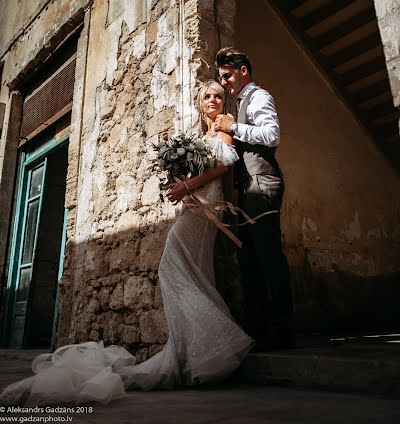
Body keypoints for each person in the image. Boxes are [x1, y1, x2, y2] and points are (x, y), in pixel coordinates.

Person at [0, 80, 253, 406]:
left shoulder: (223, 129)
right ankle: (193, 349)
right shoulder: (198, 136)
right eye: (207, 95)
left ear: (224, 101)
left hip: (205, 209)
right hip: (193, 206)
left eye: (218, 95)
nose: (213, 99)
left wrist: (185, 187)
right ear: (199, 101)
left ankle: (213, 339)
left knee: (171, 269)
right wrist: (177, 181)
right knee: (194, 273)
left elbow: (221, 166)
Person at [214, 47, 294, 351]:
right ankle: (258, 326)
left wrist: (232, 126)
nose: (224, 82)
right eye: (221, 77)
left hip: (262, 184)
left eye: (227, 75)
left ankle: (281, 329)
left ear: (243, 70)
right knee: (249, 259)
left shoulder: (258, 96)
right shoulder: (240, 101)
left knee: (268, 256)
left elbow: (271, 135)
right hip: (249, 187)